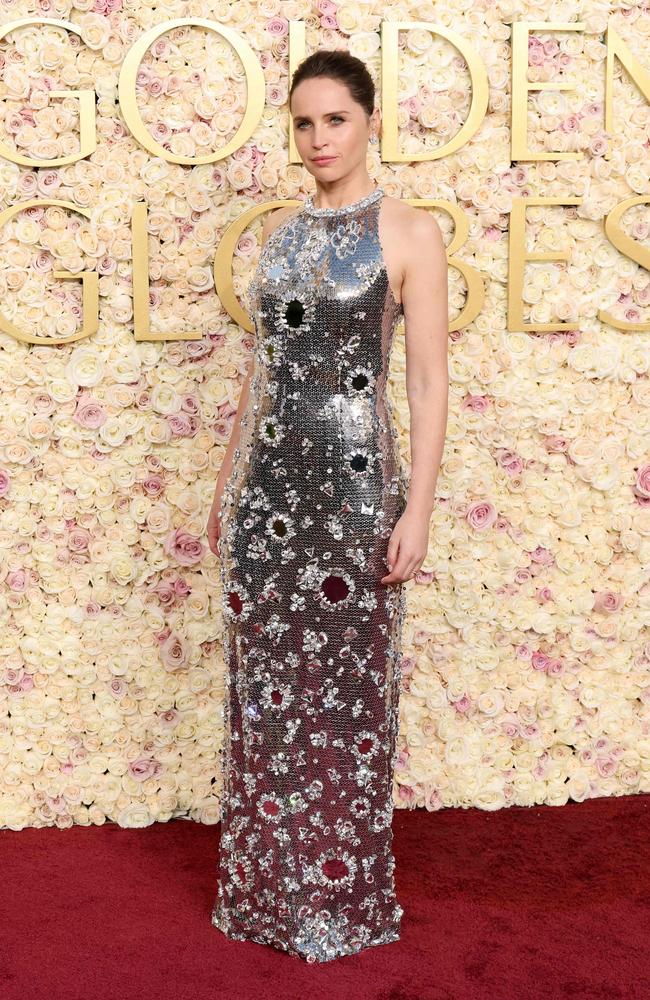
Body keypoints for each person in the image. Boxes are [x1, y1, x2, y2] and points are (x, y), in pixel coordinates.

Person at [207, 48, 449, 963]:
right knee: (266, 695)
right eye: (303, 123)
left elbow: (427, 381)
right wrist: (224, 491)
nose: (318, 139)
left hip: (356, 493)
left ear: (370, 121)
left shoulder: (408, 231)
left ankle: (341, 900)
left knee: (346, 700)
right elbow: (258, 376)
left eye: (335, 119)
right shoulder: (280, 236)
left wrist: (415, 510)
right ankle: (266, 899)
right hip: (266, 492)